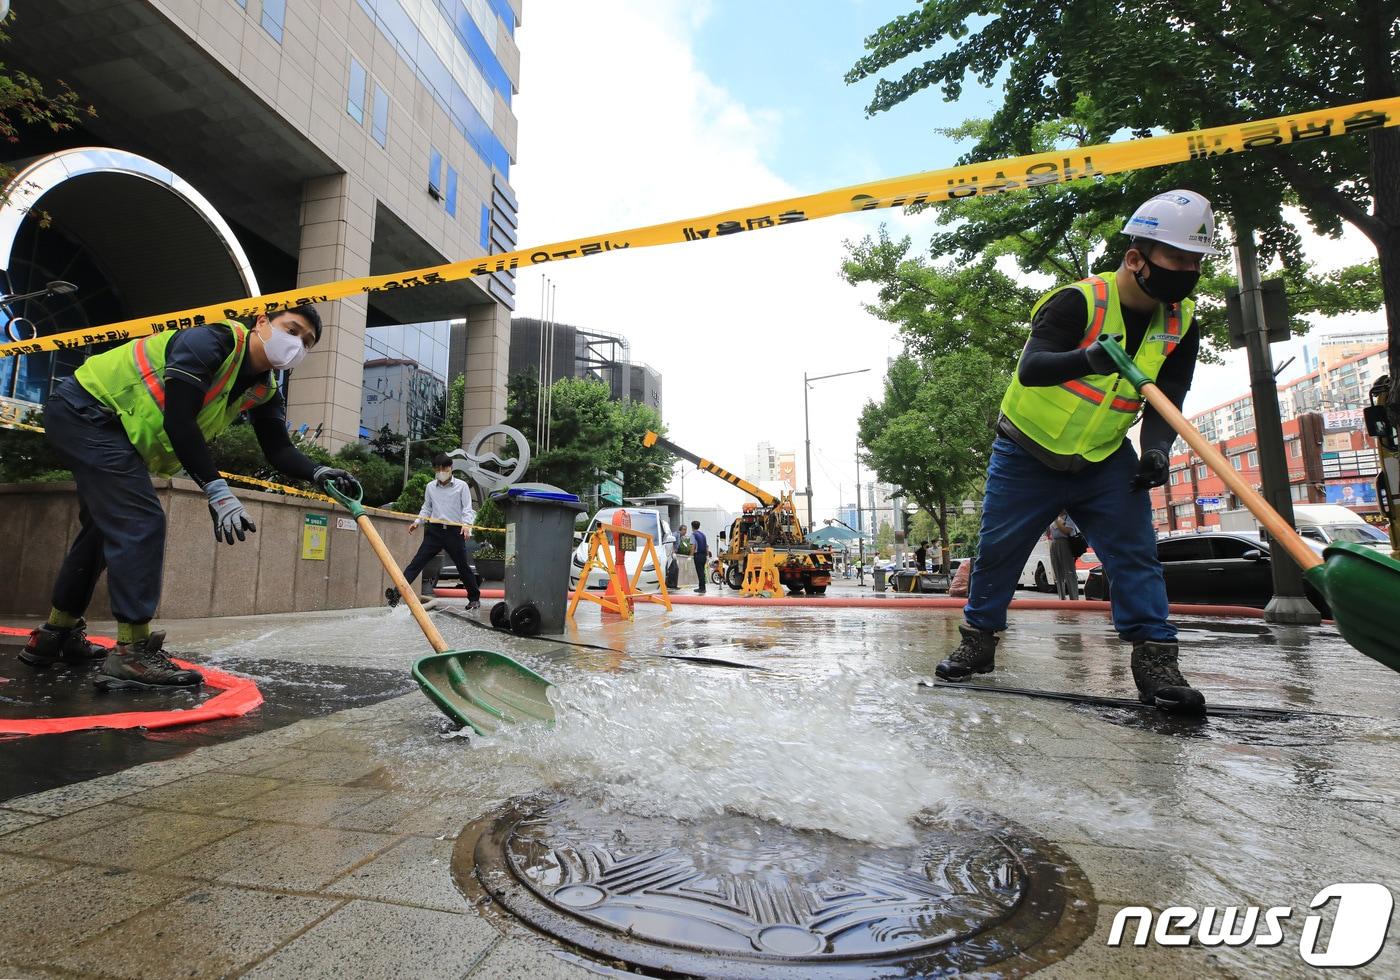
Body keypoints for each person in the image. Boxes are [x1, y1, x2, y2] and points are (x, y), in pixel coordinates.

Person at [935, 190, 1219, 715]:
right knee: (998, 553)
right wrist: (1089, 357)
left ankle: (1157, 664)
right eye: (1178, 259)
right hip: (1027, 453)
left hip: (1104, 458)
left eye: (1195, 261)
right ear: (1137, 259)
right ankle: (977, 644)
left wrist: (1156, 451)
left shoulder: (1182, 322)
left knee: (1136, 556)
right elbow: (1033, 368)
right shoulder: (1078, 301)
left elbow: (1168, 399)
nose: (1188, 272)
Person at [21, 307, 360, 689]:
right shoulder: (212, 341)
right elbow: (178, 418)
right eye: (292, 330)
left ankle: (56, 634)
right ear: (262, 323)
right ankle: (132, 654)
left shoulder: (264, 390)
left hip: (111, 429)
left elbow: (279, 450)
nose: (297, 344)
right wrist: (216, 490)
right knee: (140, 521)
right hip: (87, 411)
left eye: (307, 342)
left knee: (102, 528)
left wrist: (318, 472)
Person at [388, 454, 481, 610]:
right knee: (417, 563)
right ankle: (397, 594)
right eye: (438, 469)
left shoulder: (462, 486)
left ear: (451, 468)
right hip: (435, 532)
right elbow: (427, 507)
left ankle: (474, 599)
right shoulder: (431, 486)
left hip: (454, 531)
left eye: (444, 468)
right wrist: (417, 522)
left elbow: (467, 509)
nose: (441, 471)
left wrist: (467, 526)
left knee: (462, 566)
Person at [1048, 513, 1081, 601]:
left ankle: (1074, 598)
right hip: (1054, 543)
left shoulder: (1068, 517)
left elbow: (1067, 531)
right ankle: (1061, 597)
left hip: (1065, 543)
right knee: (1057, 572)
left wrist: (1056, 521)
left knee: (1069, 571)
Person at [691, 520, 708, 594]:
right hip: (704, 555)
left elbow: (693, 546)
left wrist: (690, 556)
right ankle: (702, 587)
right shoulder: (703, 535)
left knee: (700, 572)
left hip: (698, 555)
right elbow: (706, 546)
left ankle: (702, 588)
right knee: (702, 572)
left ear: (692, 527)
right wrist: (707, 555)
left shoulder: (693, 535)